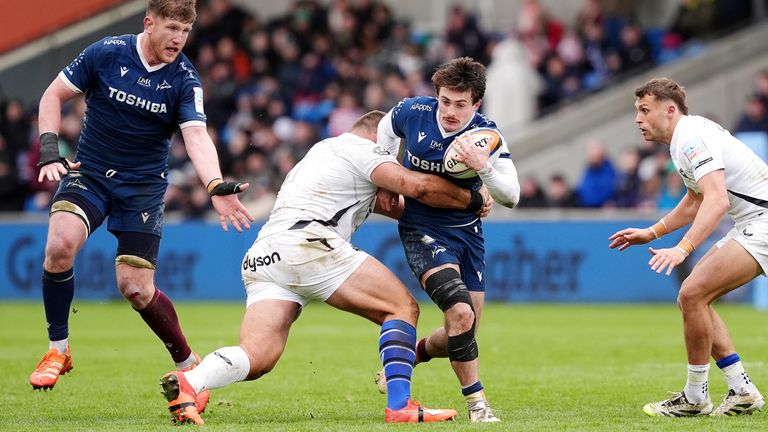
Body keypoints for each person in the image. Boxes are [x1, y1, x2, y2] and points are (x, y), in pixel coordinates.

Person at [158, 110, 493, 425]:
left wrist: (439, 203)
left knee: (258, 356)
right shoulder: (365, 149)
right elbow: (417, 187)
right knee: (401, 307)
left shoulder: (322, 151)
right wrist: (474, 199)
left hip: (266, 254)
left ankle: (192, 382)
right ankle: (400, 406)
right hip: (309, 243)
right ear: (381, 138)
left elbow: (402, 206)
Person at [30, 0, 253, 405]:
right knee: (60, 245)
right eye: (171, 28)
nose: (178, 39)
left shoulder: (185, 78)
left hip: (143, 188)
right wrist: (49, 149)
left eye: (185, 32)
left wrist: (215, 185)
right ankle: (58, 350)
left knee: (134, 288)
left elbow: (197, 137)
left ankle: (188, 364)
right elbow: (51, 96)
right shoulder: (106, 52)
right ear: (148, 23)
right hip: (90, 172)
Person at [609, 77, 766, 417]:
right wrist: (652, 233)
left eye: (644, 110)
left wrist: (682, 248)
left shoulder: (692, 138)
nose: (637, 119)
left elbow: (717, 199)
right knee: (693, 296)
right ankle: (741, 391)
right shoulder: (685, 138)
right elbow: (696, 199)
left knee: (693, 293)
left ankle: (696, 398)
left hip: (763, 222)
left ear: (669, 110)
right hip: (754, 222)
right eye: (637, 111)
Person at [375, 57, 521, 422]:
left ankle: (417, 352)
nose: (450, 112)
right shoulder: (412, 111)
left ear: (476, 104)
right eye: (445, 101)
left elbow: (512, 196)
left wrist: (482, 166)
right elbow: (384, 131)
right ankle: (478, 405)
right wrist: (388, 177)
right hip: (420, 226)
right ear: (436, 95)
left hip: (467, 234)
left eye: (460, 104)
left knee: (464, 327)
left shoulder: (487, 135)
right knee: (459, 311)